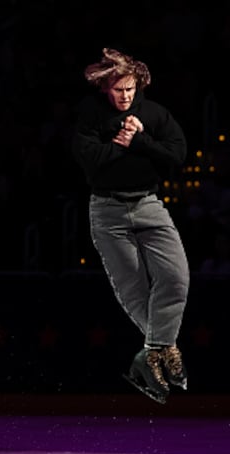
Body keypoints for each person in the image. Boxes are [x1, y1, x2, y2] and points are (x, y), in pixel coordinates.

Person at [71, 47, 189, 404]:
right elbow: (91, 163)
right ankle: (162, 349)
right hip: (107, 211)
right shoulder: (90, 116)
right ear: (106, 88)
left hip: (149, 205)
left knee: (175, 277)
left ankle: (151, 353)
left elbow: (176, 157)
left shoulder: (154, 115)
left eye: (129, 90)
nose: (124, 96)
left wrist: (140, 141)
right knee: (132, 288)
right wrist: (125, 145)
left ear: (138, 86)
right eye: (118, 90)